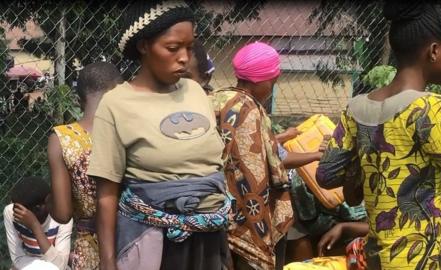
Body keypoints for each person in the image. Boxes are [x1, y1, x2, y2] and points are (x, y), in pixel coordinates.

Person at [316, 1, 441, 269]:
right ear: (435, 51)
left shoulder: (356, 108)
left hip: (377, 256)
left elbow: (326, 175)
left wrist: (364, 160)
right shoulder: (428, 107)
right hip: (426, 259)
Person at [86, 2, 229, 270]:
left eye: (189, 47)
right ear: (143, 46)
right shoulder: (117, 105)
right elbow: (106, 194)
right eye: (173, 48)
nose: (185, 57)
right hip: (156, 244)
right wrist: (108, 263)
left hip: (208, 239)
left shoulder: (196, 92)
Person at [211, 41, 293, 270]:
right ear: (262, 80)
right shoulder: (248, 109)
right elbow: (252, 170)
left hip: (213, 206)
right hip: (244, 214)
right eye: (273, 82)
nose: (272, 88)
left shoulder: (218, 98)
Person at [48, 62, 123, 270]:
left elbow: (62, 214)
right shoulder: (129, 131)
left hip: (88, 248)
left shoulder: (61, 138)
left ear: (79, 101)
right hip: (132, 238)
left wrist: (50, 200)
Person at [4, 176, 73, 270]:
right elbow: (17, 259)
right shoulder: (11, 213)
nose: (17, 213)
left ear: (41, 207)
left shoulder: (62, 218)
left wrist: (35, 226)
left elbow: (61, 266)